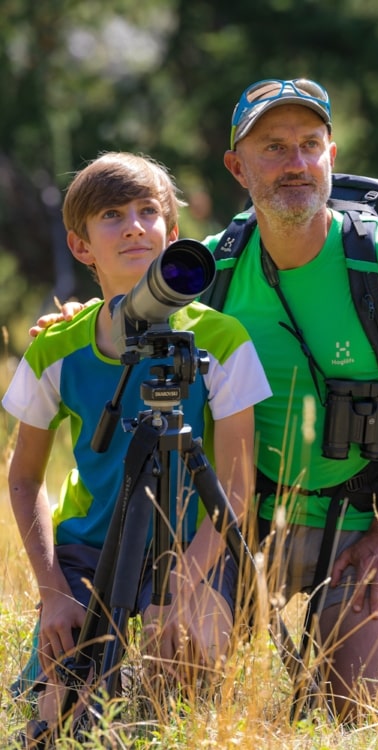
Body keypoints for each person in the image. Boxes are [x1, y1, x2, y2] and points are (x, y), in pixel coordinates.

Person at [29, 79, 378, 722]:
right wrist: (73, 317)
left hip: (364, 520)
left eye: (310, 145)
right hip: (243, 523)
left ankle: (329, 657)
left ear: (332, 155)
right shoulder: (214, 266)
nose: (296, 162)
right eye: (274, 147)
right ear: (238, 166)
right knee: (184, 663)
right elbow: (135, 297)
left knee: (363, 710)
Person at [3, 152, 271, 728]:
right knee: (62, 714)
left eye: (149, 212)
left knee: (180, 663)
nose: (133, 226)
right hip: (89, 552)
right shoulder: (57, 347)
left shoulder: (221, 340)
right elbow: (23, 477)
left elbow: (236, 484)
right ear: (81, 247)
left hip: (196, 551)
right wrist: (54, 593)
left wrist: (182, 583)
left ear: (172, 235)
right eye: (112, 215)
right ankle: (68, 688)